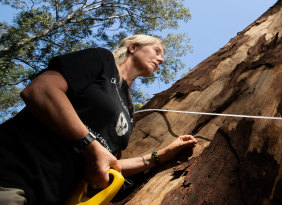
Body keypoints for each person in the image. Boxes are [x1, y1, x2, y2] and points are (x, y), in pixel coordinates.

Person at [0, 35, 197, 205]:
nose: (161, 59)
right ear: (133, 47)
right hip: (14, 174)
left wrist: (161, 156)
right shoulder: (102, 61)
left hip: (52, 196)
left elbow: (108, 163)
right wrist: (90, 145)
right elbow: (40, 90)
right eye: (156, 50)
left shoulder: (129, 112)